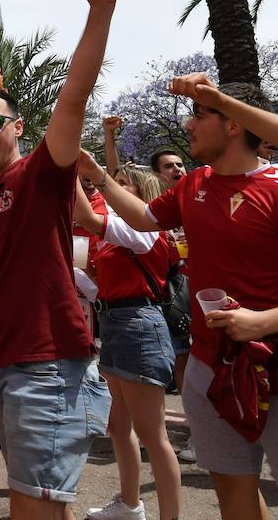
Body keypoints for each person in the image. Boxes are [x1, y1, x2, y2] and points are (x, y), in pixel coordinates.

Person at [97, 77, 278, 520]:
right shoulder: (193, 184)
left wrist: (262, 322)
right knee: (231, 488)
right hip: (210, 365)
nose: (188, 125)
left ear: (234, 125)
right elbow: (144, 219)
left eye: (200, 115)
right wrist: (98, 177)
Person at [0, 0, 117, 518]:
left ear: (17, 128)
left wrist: (101, 12)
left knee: (32, 510)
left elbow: (74, 95)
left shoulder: (41, 176)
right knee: (44, 508)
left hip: (48, 373)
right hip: (10, 367)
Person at [74, 159, 180, 520]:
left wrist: (70, 173)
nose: (112, 187)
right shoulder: (119, 236)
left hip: (139, 326)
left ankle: (169, 516)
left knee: (153, 434)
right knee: (118, 426)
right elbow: (101, 289)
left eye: (123, 182)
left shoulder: (146, 230)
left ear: (143, 194)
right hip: (116, 322)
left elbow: (87, 218)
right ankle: (130, 505)